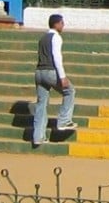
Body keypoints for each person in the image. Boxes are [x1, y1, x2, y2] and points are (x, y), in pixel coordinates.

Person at [32, 14, 77, 147]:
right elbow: (57, 57)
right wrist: (62, 76)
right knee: (70, 91)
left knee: (41, 104)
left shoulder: (42, 38)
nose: (63, 25)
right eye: (62, 23)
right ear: (56, 24)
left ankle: (38, 137)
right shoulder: (56, 37)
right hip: (50, 71)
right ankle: (64, 120)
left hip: (39, 72)